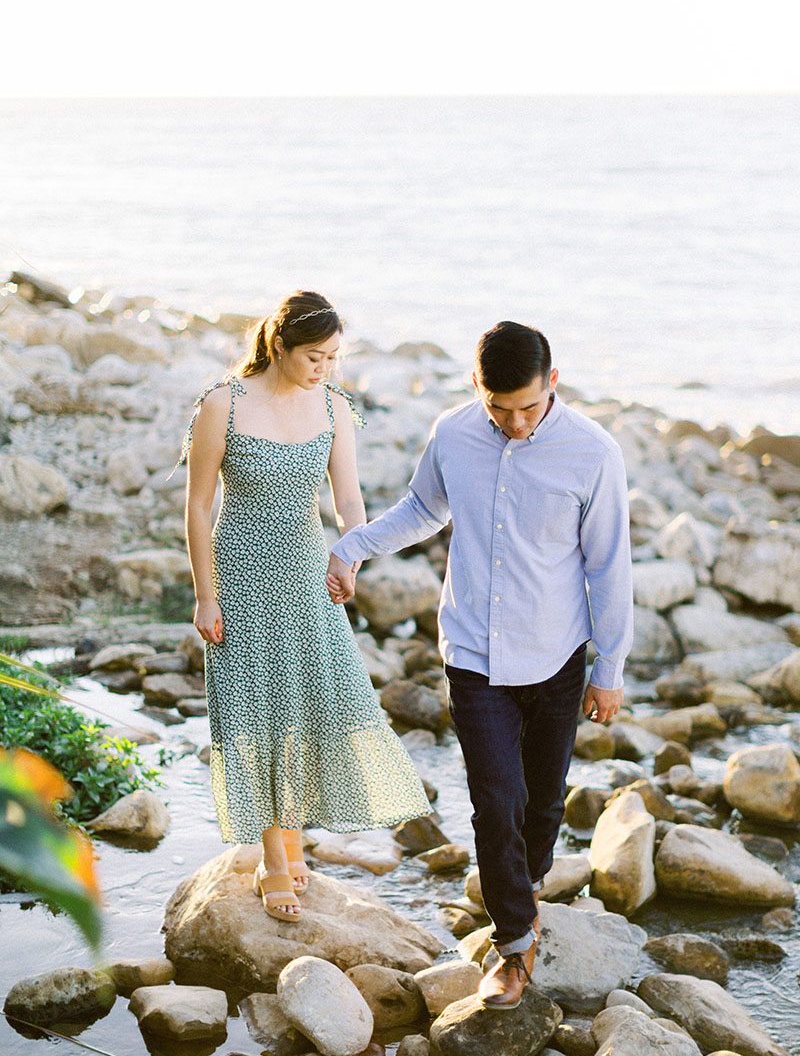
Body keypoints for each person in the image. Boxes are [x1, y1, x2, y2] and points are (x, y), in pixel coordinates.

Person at [327, 321, 633, 1007]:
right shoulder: (455, 434)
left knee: (542, 807)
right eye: (500, 409)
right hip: (473, 653)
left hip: (556, 657)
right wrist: (352, 546)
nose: (516, 424)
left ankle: (518, 891)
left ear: (553, 383)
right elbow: (422, 509)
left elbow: (609, 565)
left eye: (528, 407)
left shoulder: (593, 453)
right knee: (495, 804)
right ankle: (514, 942)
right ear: (477, 388)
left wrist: (609, 668)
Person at [173, 290, 431, 923]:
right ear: (279, 347)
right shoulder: (221, 403)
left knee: (320, 702)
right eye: (314, 356)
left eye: (335, 357)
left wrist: (352, 557)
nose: (324, 368)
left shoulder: (335, 407)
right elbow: (199, 507)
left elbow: (350, 500)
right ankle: (274, 860)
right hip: (239, 576)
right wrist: (205, 594)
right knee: (255, 711)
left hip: (307, 575)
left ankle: (291, 838)